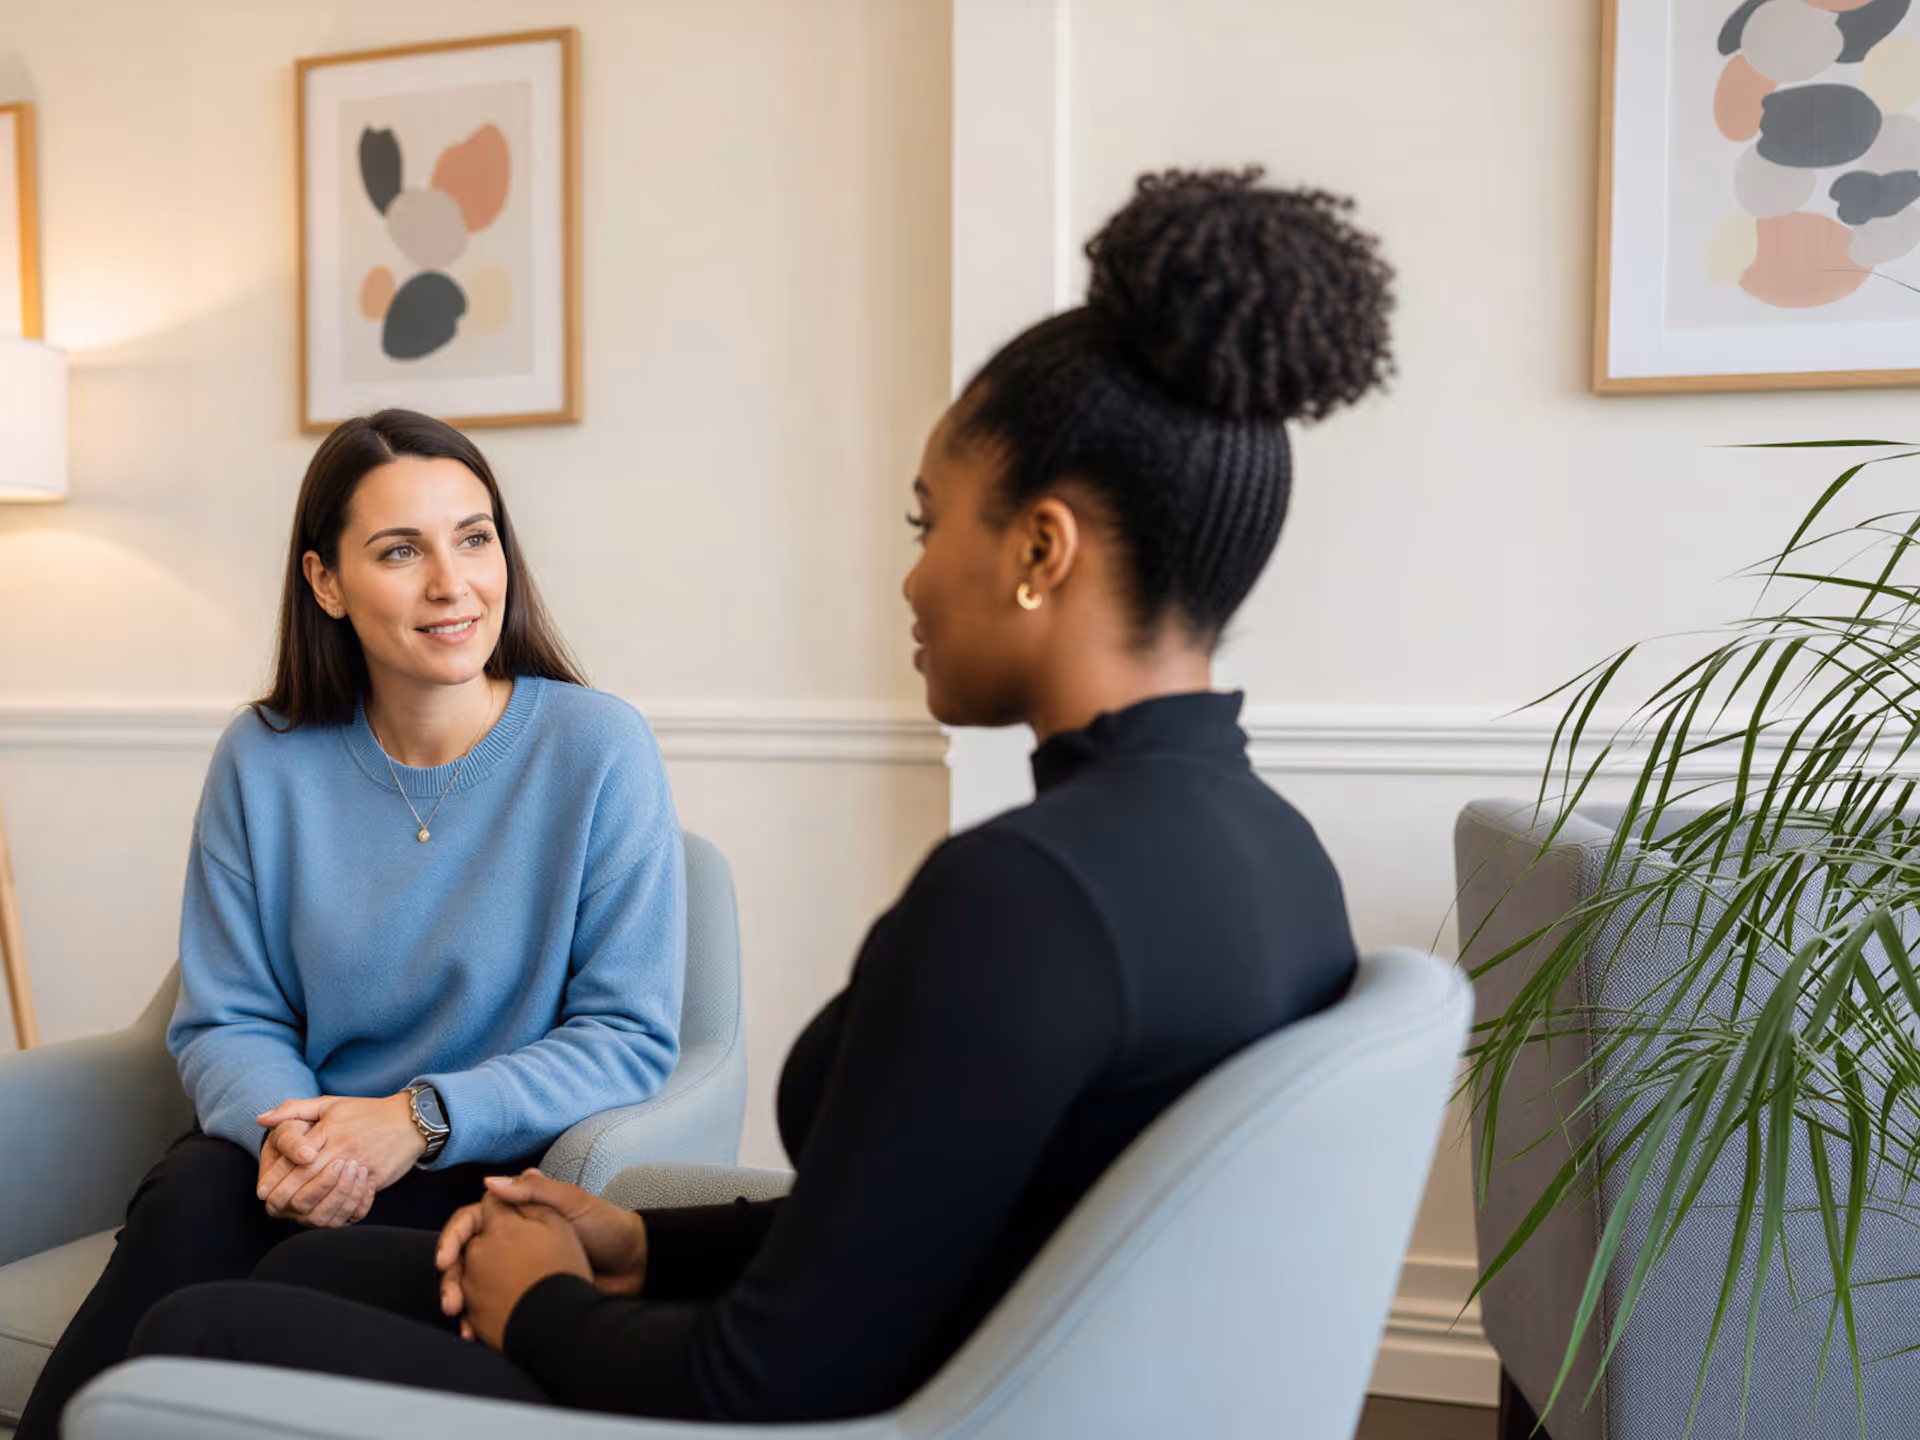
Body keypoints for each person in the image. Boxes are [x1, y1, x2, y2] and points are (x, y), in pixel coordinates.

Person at [127, 167, 1395, 1424]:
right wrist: (635, 1241)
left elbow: (766, 1376)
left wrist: (541, 1306)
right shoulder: (1278, 857)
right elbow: (918, 1222)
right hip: (942, 1357)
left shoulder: (1023, 898)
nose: (906, 584)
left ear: (1037, 551)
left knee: (201, 1331)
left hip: (827, 1405)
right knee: (289, 1257)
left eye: (924, 521)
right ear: (329, 582)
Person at [16, 410, 687, 1440]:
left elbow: (625, 1037)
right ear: (326, 582)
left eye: (474, 536)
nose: (453, 583)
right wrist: (307, 1144)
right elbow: (228, 1016)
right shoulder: (264, 755)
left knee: (274, 1282)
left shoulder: (598, 750)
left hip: (481, 1167)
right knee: (195, 1196)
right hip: (289, 1150)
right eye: (399, 550)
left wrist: (414, 1121)